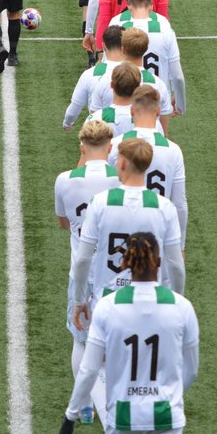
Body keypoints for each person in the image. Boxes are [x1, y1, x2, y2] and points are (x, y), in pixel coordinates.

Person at [59, 232, 199, 434]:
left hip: (122, 414)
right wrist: (169, 396)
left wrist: (72, 414)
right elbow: (191, 370)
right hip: (164, 414)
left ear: (125, 263)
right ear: (158, 262)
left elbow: (88, 368)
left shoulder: (108, 308)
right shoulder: (182, 307)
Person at [69, 138, 184, 333]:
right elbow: (176, 266)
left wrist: (80, 299)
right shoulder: (165, 208)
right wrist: (176, 301)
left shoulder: (100, 202)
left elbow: (83, 259)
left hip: (107, 301)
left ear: (122, 163)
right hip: (149, 305)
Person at [54, 120, 120, 425]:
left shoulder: (65, 180)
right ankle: (111, 400)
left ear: (82, 146)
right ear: (109, 147)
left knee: (80, 341)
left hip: (81, 269)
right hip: (115, 272)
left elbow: (63, 222)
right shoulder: (120, 179)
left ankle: (83, 407)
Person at [108, 86, 189, 247]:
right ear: (158, 112)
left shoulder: (116, 145)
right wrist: (180, 245)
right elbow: (179, 202)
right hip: (159, 228)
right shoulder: (173, 150)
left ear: (132, 112)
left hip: (122, 228)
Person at [115, 0, 185, 115]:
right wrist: (180, 104)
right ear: (151, 7)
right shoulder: (165, 29)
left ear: (129, 6)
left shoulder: (118, 26)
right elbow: (178, 76)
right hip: (158, 98)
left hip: (127, 98)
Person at [91, 29, 174, 133]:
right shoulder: (159, 84)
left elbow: (94, 123)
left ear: (123, 49)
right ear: (146, 48)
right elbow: (163, 133)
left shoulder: (104, 79)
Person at [64, 25, 125, 131]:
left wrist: (67, 123)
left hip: (99, 136)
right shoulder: (137, 73)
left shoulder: (90, 74)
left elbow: (74, 109)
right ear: (126, 46)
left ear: (103, 46)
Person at [85, 63, 147, 137]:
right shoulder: (150, 120)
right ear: (139, 87)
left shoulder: (95, 119)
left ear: (111, 85)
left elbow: (86, 147)